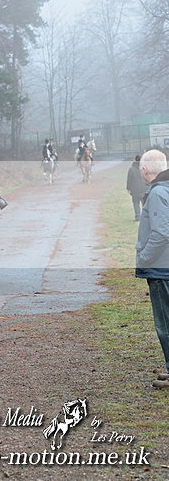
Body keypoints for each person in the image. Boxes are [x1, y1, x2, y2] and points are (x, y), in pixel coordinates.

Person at [134, 149, 169, 389]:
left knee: (165, 323)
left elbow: (160, 233)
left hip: (161, 270)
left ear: (145, 171)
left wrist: (144, 259)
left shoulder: (157, 193)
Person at [127, 154, 149, 221]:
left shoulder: (132, 169)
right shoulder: (145, 168)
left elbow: (129, 180)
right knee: (144, 204)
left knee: (136, 203)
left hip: (135, 190)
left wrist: (128, 188)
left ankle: (137, 216)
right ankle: (145, 216)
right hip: (144, 189)